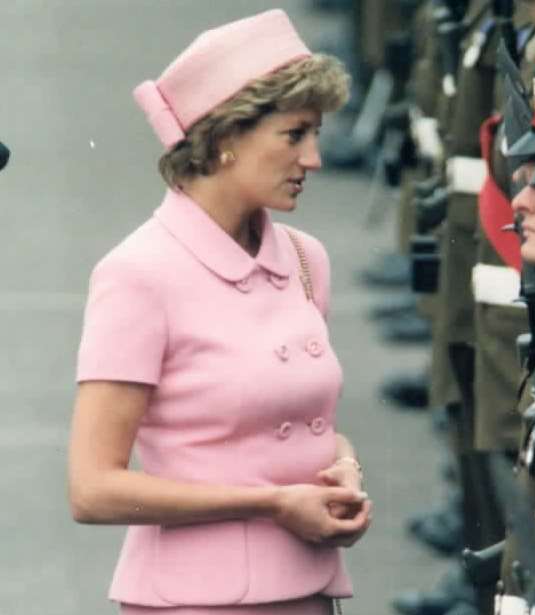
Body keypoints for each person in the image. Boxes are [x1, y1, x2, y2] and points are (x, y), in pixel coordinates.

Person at [68, 10, 371, 615]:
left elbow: (296, 420)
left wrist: (345, 466)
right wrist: (271, 504)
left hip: (309, 588)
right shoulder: (138, 275)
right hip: (199, 602)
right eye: (294, 135)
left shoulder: (306, 259)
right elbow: (92, 488)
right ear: (226, 139)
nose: (313, 159)